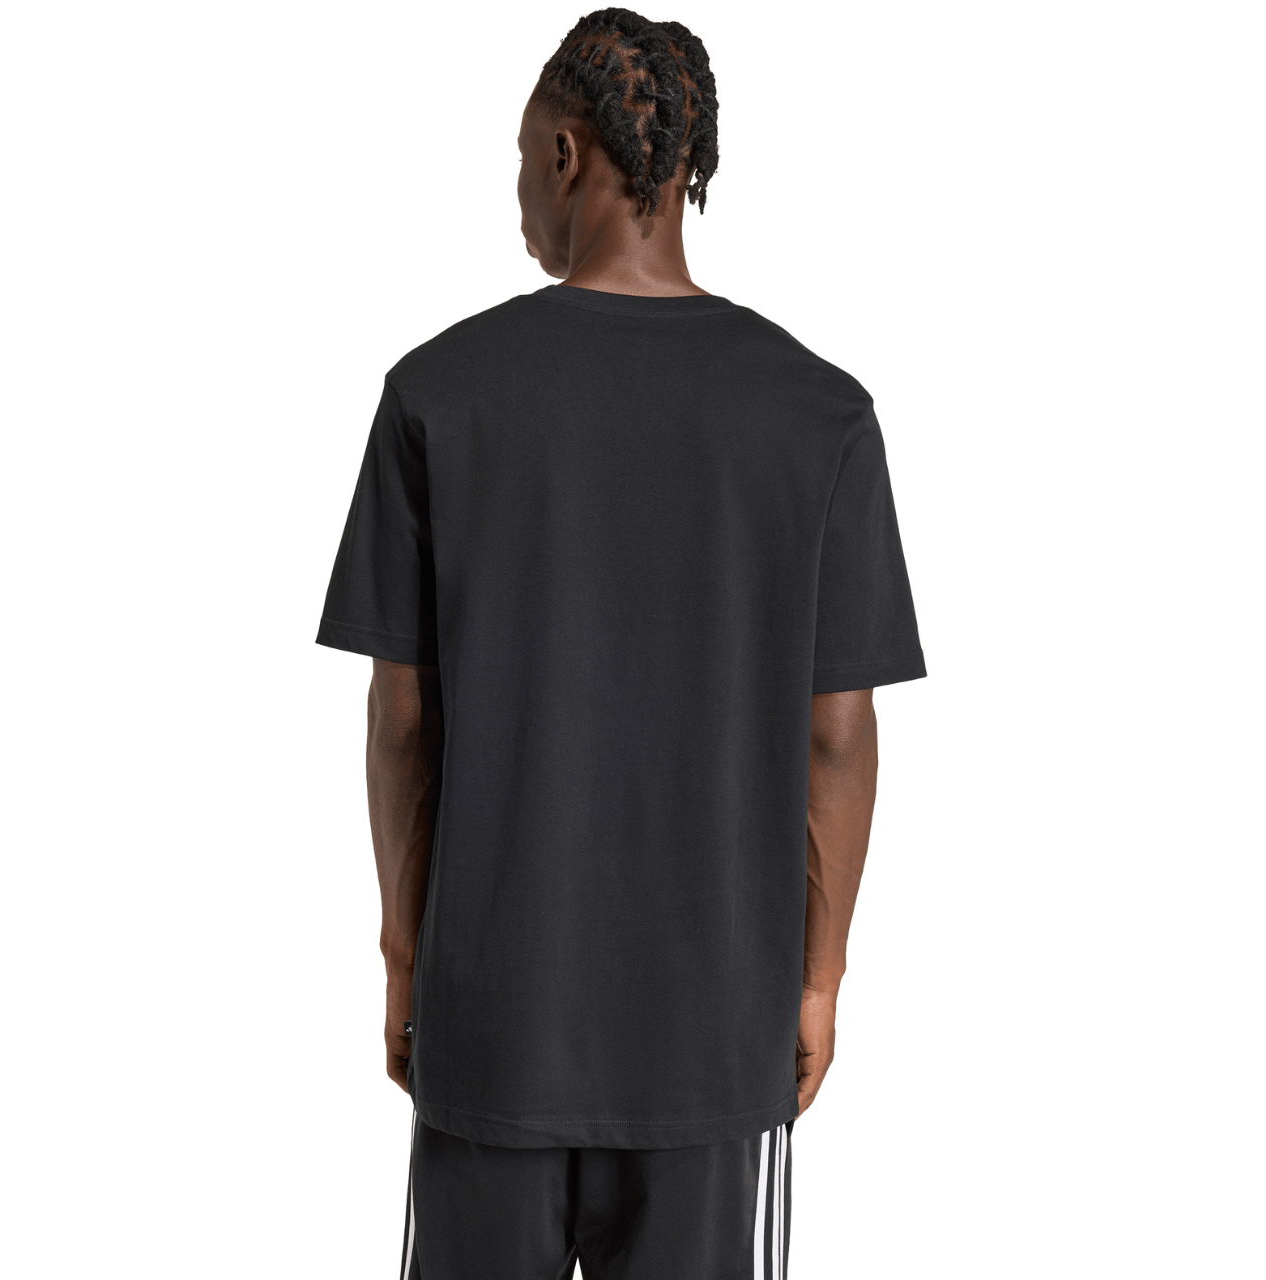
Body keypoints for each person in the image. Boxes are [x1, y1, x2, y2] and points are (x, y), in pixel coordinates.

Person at [317, 9, 924, 1277]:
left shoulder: (436, 392)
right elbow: (836, 734)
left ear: (562, 153)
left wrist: (403, 956)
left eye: (516, 160)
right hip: (712, 1034)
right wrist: (817, 978)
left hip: (497, 1021)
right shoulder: (819, 412)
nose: (515, 201)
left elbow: (402, 720)